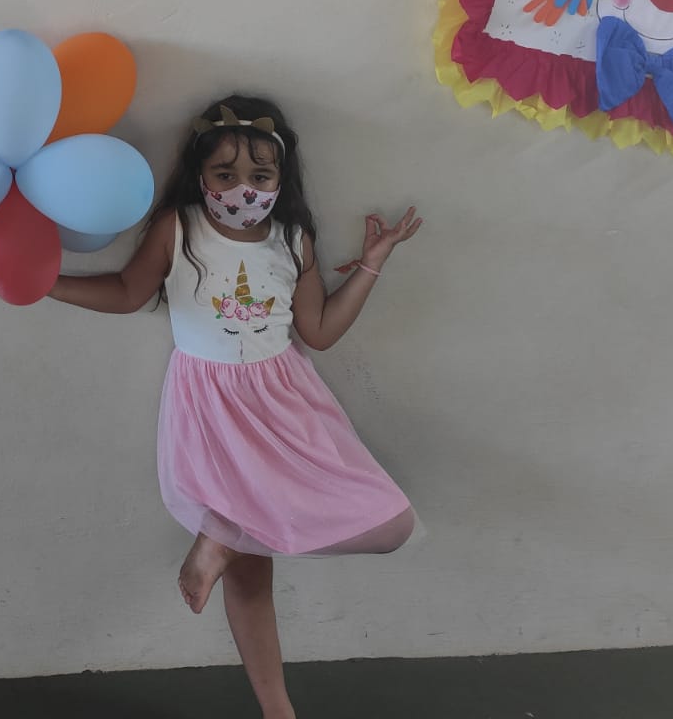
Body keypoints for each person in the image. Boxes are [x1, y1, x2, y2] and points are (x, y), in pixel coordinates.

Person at [47, 94, 422, 719]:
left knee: (392, 526)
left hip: (284, 405)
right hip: (212, 406)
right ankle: (278, 710)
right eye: (224, 174)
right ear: (200, 175)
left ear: (281, 178)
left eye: (259, 175)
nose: (242, 189)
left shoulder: (293, 238)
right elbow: (128, 292)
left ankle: (218, 535)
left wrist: (371, 265)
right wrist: (49, 284)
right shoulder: (179, 228)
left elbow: (319, 331)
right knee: (250, 573)